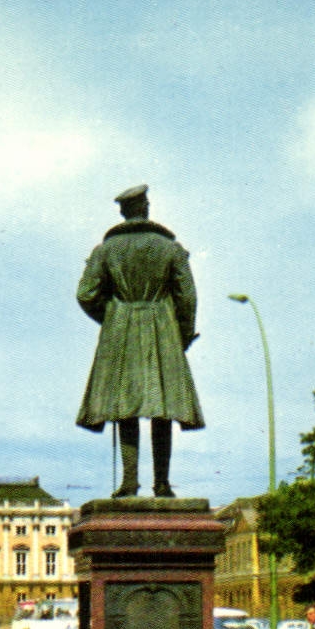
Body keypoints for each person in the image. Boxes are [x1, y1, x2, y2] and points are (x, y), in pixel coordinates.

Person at [76, 185, 202, 499]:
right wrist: (183, 333)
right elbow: (187, 297)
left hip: (120, 330)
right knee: (163, 407)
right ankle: (162, 483)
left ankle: (129, 481)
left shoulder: (105, 250)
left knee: (125, 406)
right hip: (163, 329)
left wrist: (112, 316)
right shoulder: (170, 249)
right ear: (146, 207)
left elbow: (86, 294)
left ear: (123, 212)